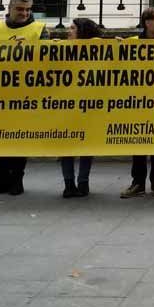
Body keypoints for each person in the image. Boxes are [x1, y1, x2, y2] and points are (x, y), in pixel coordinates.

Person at [0, 0, 47, 196]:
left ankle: (17, 179)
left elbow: (49, 60)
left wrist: (31, 48)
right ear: (9, 8)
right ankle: (1, 179)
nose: (24, 13)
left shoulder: (39, 29)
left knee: (20, 137)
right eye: (20, 9)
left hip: (26, 93)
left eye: (28, 9)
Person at [120, 7, 154, 199]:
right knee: (138, 142)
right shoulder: (133, 43)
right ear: (147, 23)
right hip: (138, 101)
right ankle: (138, 182)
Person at [61, 17, 102, 198]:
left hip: (88, 104)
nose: (68, 31)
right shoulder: (61, 48)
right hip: (65, 105)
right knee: (65, 144)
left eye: (72, 28)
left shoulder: (96, 48)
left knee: (86, 144)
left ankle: (83, 182)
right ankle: (69, 183)